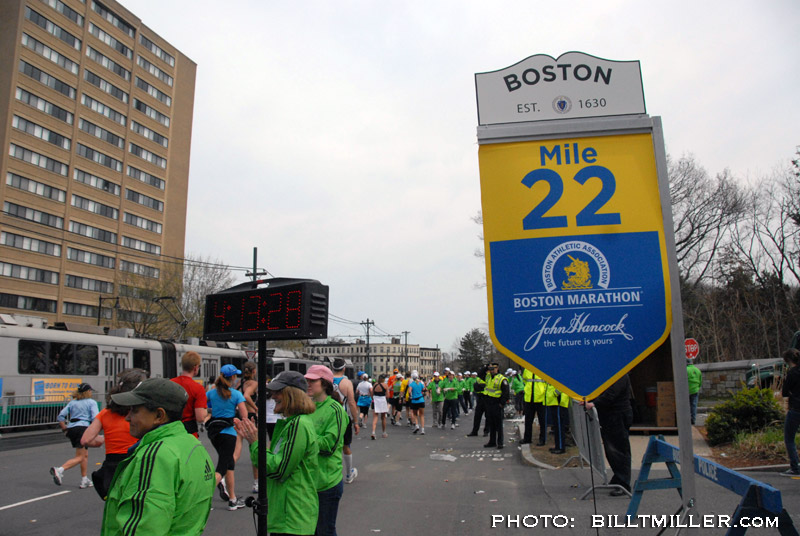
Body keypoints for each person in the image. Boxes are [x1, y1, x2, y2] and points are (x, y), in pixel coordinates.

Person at [101, 378, 215, 535]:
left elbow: (143, 528)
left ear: (159, 416)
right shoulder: (193, 445)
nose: (127, 417)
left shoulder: (155, 456)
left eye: (134, 410)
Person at [235, 370, 319, 536]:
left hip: (291, 517)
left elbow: (279, 469)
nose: (272, 396)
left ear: (292, 394)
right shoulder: (293, 423)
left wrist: (255, 444)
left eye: (277, 392)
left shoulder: (298, 425)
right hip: (290, 515)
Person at [81, 368, 148, 499]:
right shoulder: (140, 413)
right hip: (135, 463)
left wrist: (102, 440)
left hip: (112, 468)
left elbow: (85, 440)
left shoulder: (105, 413)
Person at [305, 365, 348, 535]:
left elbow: (329, 446)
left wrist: (304, 439)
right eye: (307, 380)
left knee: (324, 531)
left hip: (326, 482)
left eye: (312, 380)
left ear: (324, 384)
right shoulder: (307, 407)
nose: (308, 383)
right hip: (308, 482)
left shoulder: (335, 410)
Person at [206, 364, 248, 510]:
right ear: (233, 377)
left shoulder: (211, 393)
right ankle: (204, 497)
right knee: (223, 467)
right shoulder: (236, 394)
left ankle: (232, 498)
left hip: (214, 433)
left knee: (229, 464)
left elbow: (205, 405)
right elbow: (244, 414)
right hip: (228, 432)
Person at [585, 374, 634, 496]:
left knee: (618, 449)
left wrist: (594, 404)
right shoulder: (614, 373)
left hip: (617, 414)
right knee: (612, 449)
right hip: (612, 415)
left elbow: (611, 395)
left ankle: (623, 483)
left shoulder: (619, 374)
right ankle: (619, 478)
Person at [51, 383, 99, 488]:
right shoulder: (92, 402)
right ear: (88, 392)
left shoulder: (72, 403)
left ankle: (84, 479)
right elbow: (95, 418)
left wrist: (64, 429)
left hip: (72, 428)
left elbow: (60, 416)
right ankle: (60, 470)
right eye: (90, 391)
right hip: (83, 428)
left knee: (84, 454)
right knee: (80, 456)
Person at [332, 357, 359, 484]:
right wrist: (356, 422)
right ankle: (348, 474)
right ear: (344, 368)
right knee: (346, 445)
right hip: (342, 417)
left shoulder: (326, 380)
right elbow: (352, 403)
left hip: (328, 416)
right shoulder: (346, 383)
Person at [171, 351, 208, 437]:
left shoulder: (170, 383)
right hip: (188, 432)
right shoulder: (198, 388)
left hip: (171, 430)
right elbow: (200, 418)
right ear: (195, 368)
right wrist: (206, 411)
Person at [240, 361, 260, 493]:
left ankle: (223, 476)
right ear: (254, 371)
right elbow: (246, 396)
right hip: (251, 416)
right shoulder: (253, 384)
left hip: (240, 416)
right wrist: (255, 407)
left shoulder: (240, 383)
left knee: (236, 449)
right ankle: (256, 482)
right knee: (255, 448)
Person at [781, 348, 800, 477]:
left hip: (796, 409)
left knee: (789, 438)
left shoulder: (792, 373)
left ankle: (795, 466)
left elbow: (784, 392)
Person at [483, 363, 509, 449]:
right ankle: (492, 441)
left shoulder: (502, 379)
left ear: (497, 369)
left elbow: (506, 393)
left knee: (499, 425)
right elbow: (480, 374)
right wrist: (486, 366)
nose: (491, 371)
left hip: (497, 403)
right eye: (490, 369)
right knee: (491, 424)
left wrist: (502, 404)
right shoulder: (488, 377)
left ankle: (500, 442)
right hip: (489, 403)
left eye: (493, 369)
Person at [467, 367, 489, 437]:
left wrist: (481, 386)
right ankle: (475, 431)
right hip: (480, 397)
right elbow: (476, 386)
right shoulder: (479, 378)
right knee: (477, 416)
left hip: (487, 398)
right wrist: (482, 386)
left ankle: (486, 431)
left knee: (487, 416)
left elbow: (486, 387)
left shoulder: (490, 378)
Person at [371, 374, 389, 439]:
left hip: (375, 400)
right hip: (382, 400)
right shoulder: (385, 385)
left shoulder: (375, 385)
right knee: (383, 417)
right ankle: (384, 432)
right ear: (384, 379)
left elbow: (372, 394)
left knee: (375, 417)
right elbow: (387, 396)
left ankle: (373, 432)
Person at [686, 359, 702, 425]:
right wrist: (697, 388)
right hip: (695, 390)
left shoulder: (685, 369)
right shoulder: (698, 370)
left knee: (686, 405)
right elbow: (700, 381)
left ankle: (686, 419)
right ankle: (693, 419)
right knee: (694, 405)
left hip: (686, 390)